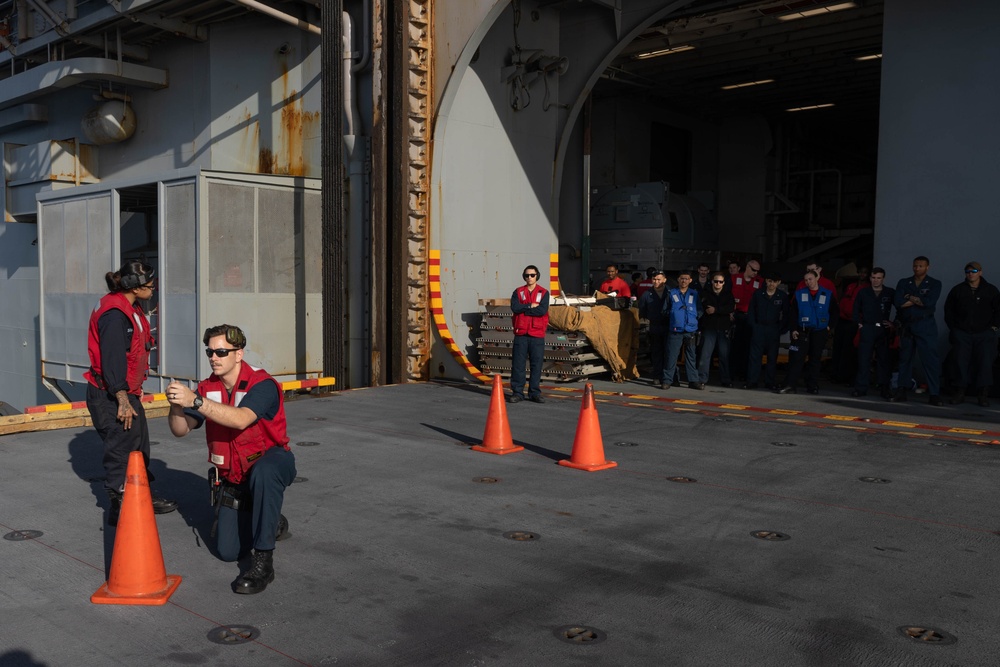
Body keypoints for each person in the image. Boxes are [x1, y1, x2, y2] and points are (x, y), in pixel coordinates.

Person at [166, 325, 295, 594]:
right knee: (227, 551)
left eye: (221, 351)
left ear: (239, 354)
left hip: (271, 461)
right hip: (234, 477)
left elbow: (241, 419)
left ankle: (263, 563)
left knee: (265, 472)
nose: (214, 357)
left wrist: (196, 402)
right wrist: (177, 405)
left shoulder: (263, 385)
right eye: (210, 352)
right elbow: (180, 430)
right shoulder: (207, 388)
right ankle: (270, 521)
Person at [84, 260, 177, 526]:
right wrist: (123, 401)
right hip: (112, 395)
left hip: (126, 392)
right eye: (150, 285)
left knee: (138, 445)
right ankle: (120, 506)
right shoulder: (114, 315)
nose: (153, 288)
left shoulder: (129, 306)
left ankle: (142, 496)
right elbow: (112, 360)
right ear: (135, 288)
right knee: (120, 449)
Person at [943, 261, 1000, 406]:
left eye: (973, 271)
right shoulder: (958, 290)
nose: (970, 274)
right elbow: (949, 311)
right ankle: (960, 392)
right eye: (967, 271)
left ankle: (983, 394)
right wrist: (954, 329)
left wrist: (993, 328)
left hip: (984, 334)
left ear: (980, 272)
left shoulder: (991, 290)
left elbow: (998, 311)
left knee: (985, 363)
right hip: (962, 333)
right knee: (960, 363)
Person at [890, 256, 943, 405]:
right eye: (915, 266)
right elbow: (898, 303)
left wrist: (908, 297)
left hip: (925, 325)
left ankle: (934, 393)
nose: (917, 268)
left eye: (920, 266)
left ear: (927, 267)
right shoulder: (904, 282)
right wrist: (917, 299)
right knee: (905, 359)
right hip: (907, 325)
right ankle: (901, 390)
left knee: (930, 360)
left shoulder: (934, 283)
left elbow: (928, 303)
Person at [778, 270, 836, 395]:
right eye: (806, 280)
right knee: (796, 359)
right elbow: (793, 314)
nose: (808, 282)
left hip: (819, 331)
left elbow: (835, 312)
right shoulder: (799, 294)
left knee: (815, 360)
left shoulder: (827, 294)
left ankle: (812, 385)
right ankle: (790, 385)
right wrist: (793, 329)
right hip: (802, 331)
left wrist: (829, 327)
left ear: (816, 279)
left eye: (810, 279)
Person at [851, 267, 896, 398]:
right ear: (870, 278)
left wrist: (895, 323)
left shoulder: (889, 292)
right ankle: (860, 388)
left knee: (883, 360)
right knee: (864, 359)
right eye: (873, 277)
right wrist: (859, 324)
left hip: (883, 329)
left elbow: (900, 306)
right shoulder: (863, 292)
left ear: (883, 278)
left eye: (879, 278)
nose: (876, 280)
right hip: (868, 327)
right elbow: (855, 309)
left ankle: (884, 388)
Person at [508, 265, 549, 403]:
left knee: (536, 365)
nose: (530, 278)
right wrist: (530, 306)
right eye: (527, 275)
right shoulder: (518, 292)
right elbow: (515, 307)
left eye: (532, 275)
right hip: (521, 333)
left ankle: (534, 393)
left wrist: (523, 309)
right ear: (524, 277)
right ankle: (517, 393)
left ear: (537, 275)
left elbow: (542, 311)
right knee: (518, 365)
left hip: (537, 334)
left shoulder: (543, 292)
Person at [745, 270, 789, 390]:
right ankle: (752, 381)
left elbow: (786, 315)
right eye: (769, 281)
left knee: (772, 357)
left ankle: (770, 382)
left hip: (773, 329)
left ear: (778, 282)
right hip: (759, 327)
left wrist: (780, 329)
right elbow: (751, 312)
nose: (771, 284)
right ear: (766, 281)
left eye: (774, 282)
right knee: (755, 357)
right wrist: (754, 326)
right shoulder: (758, 294)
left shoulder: (782, 296)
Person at [664, 270, 702, 390]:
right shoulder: (671, 293)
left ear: (690, 280)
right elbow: (665, 310)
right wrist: (675, 315)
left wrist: (694, 318)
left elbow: (700, 310)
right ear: (678, 280)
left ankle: (693, 381)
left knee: (691, 356)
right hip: (676, 330)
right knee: (672, 356)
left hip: (690, 330)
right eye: (682, 278)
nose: (684, 281)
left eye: (686, 278)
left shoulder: (694, 294)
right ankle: (667, 380)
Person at [831, 266, 870, 384]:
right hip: (842, 320)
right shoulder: (851, 286)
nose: (862, 275)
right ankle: (835, 374)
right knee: (838, 347)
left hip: (854, 321)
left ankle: (845, 376)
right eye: (861, 272)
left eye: (865, 273)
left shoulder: (867, 288)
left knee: (849, 350)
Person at [697, 272, 735, 387]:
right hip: (709, 328)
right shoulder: (705, 293)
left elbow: (730, 307)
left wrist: (716, 310)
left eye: (720, 282)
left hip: (723, 328)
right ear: (712, 281)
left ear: (724, 283)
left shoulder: (728, 294)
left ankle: (725, 380)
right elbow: (705, 308)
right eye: (716, 281)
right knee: (705, 354)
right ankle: (702, 379)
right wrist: (722, 311)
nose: (718, 283)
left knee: (724, 355)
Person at [729, 259, 761, 382]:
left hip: (751, 317)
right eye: (753, 270)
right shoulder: (734, 278)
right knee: (734, 346)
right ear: (747, 267)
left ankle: (744, 373)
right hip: (737, 315)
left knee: (748, 347)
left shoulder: (759, 281)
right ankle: (732, 373)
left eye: (757, 271)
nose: (755, 273)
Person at [637, 270, 670, 388]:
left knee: (669, 353)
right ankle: (657, 376)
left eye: (659, 279)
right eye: (654, 279)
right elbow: (642, 311)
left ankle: (669, 377)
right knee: (656, 352)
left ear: (664, 280)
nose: (656, 282)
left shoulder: (671, 292)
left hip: (669, 326)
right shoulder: (647, 294)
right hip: (655, 327)